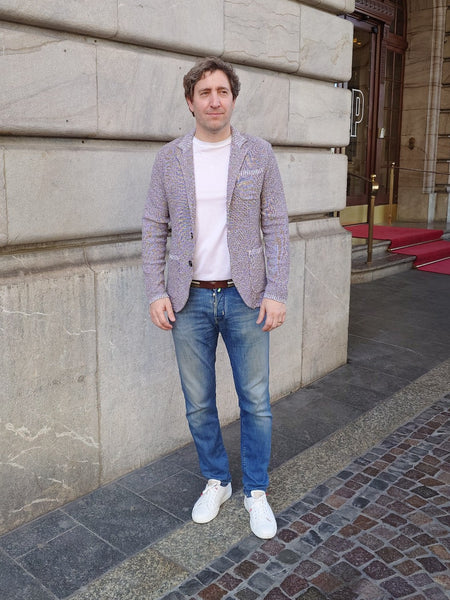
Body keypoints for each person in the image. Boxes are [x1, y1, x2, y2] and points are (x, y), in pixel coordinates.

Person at [142, 56, 289, 539]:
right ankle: (217, 480)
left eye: (222, 91)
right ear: (190, 102)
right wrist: (156, 291)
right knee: (199, 401)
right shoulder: (169, 158)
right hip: (189, 300)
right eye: (204, 92)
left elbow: (275, 225)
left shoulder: (258, 153)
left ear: (233, 99)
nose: (214, 100)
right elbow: (154, 227)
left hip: (247, 298)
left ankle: (256, 491)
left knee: (256, 401)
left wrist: (276, 291)